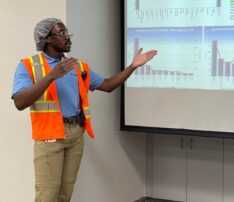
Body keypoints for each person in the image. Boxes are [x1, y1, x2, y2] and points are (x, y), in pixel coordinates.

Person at [11, 17, 157, 202]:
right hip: (49, 138)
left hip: (75, 134)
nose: (68, 37)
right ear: (46, 38)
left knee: (65, 195)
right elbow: (20, 102)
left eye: (68, 33)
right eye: (62, 33)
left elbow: (107, 85)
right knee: (47, 196)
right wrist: (51, 76)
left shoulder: (77, 66)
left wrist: (133, 67)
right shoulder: (28, 65)